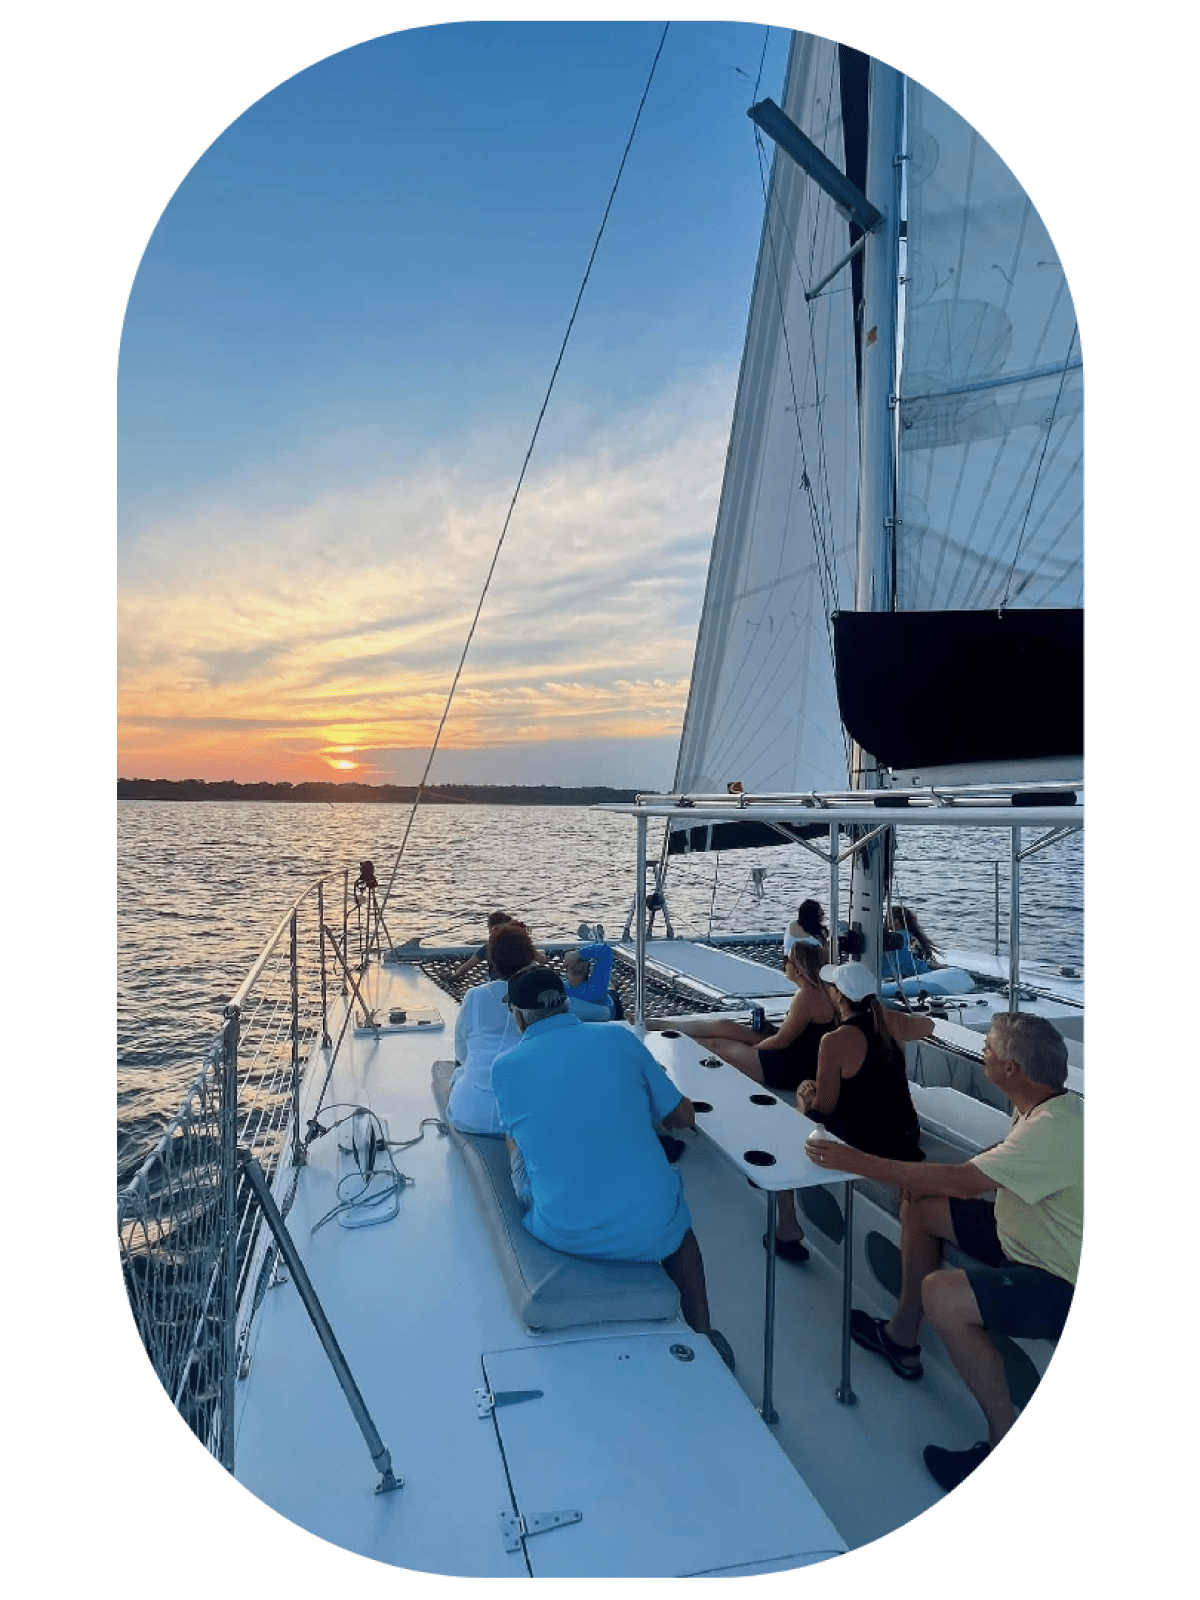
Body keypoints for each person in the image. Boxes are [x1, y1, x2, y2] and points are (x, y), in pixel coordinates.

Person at [806, 1012, 1083, 1494]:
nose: (985, 1056)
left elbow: (963, 1180)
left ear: (1013, 1070)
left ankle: (1003, 1444)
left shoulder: (1050, 1134)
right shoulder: (1052, 1108)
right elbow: (987, 1164)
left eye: (991, 1052)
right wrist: (918, 1181)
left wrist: (857, 1162)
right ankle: (902, 1338)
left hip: (1061, 1279)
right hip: (1023, 1234)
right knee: (922, 1208)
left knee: (944, 1295)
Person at [492, 965, 735, 1371]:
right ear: (566, 1004)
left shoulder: (505, 1068)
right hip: (652, 1224)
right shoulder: (618, 1039)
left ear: (518, 1017)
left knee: (515, 1137)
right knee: (682, 1235)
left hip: (564, 1230)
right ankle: (705, 1334)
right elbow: (683, 1117)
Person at [647, 939, 837, 1262]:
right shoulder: (817, 991)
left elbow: (781, 1042)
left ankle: (671, 1042)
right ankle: (666, 1027)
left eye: (786, 960)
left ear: (799, 967)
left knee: (719, 1045)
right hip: (794, 1053)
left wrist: (749, 1052)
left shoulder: (808, 995)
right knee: (725, 1026)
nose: (783, 965)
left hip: (788, 1064)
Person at [445, 920, 541, 1135]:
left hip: (469, 1114)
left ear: (493, 961)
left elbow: (462, 1052)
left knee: (460, 1071)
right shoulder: (541, 997)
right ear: (530, 957)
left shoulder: (475, 996)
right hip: (522, 1118)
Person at [451, 910, 514, 984]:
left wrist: (455, 975)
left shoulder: (487, 948)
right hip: (513, 984)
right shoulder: (518, 946)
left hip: (496, 984)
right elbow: (468, 965)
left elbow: (467, 966)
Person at [562, 940, 616, 1021]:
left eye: (581, 960)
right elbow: (605, 951)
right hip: (607, 1008)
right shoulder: (596, 988)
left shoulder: (595, 988)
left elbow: (605, 951)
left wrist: (578, 954)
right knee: (611, 990)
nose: (577, 963)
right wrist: (579, 954)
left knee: (611, 991)